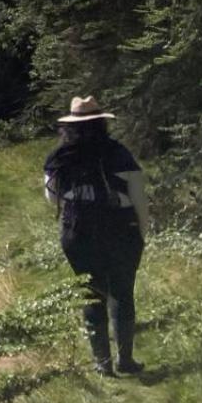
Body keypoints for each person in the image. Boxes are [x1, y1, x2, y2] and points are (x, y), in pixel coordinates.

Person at [44, 96, 152, 376]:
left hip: (77, 232)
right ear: (101, 123)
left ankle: (102, 364)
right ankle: (125, 360)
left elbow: (50, 197)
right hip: (120, 230)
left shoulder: (59, 157)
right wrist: (142, 231)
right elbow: (138, 195)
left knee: (91, 293)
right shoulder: (118, 153)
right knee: (122, 293)